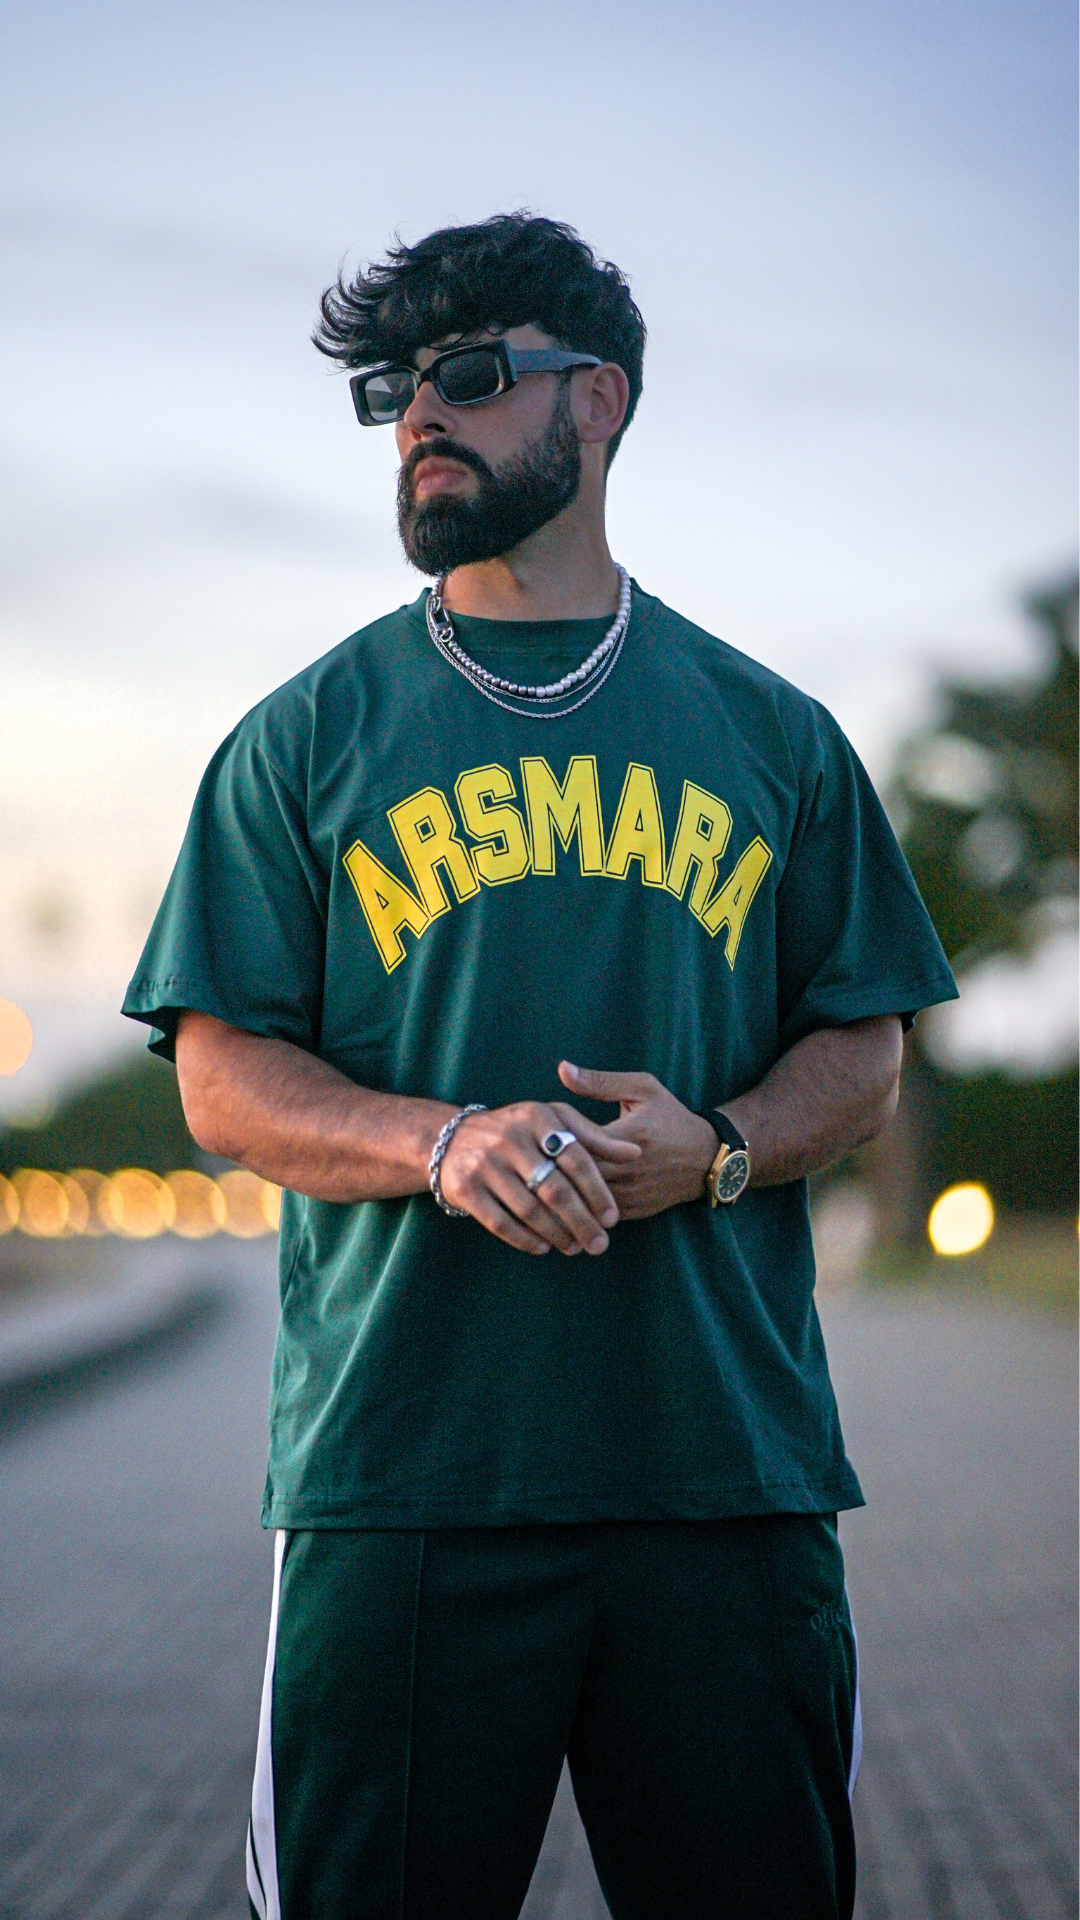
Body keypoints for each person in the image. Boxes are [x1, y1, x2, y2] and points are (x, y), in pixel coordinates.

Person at [123, 213, 957, 1920]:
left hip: (721, 1476)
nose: (421, 417)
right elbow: (218, 1079)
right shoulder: (302, 741)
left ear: (604, 403)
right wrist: (441, 1142)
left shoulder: (772, 735)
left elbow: (863, 1043)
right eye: (395, 392)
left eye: (470, 377)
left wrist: (714, 1147)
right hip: (402, 1484)